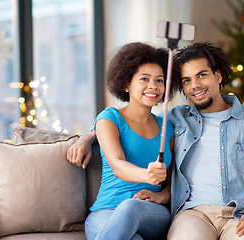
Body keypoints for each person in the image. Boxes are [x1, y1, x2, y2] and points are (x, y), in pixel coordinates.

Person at [68, 42, 244, 240]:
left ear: (218, 76)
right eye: (187, 80)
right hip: (182, 213)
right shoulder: (177, 119)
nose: (195, 86)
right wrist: (88, 137)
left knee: (131, 208)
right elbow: (120, 131)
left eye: (202, 75)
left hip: (236, 213)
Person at [70, 42, 177, 240]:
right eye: (144, 79)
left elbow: (172, 182)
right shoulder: (109, 118)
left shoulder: (167, 128)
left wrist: (161, 196)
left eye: (160, 80)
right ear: (127, 84)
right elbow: (118, 165)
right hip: (105, 212)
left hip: (151, 213)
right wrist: (147, 175)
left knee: (131, 207)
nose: (153, 86)